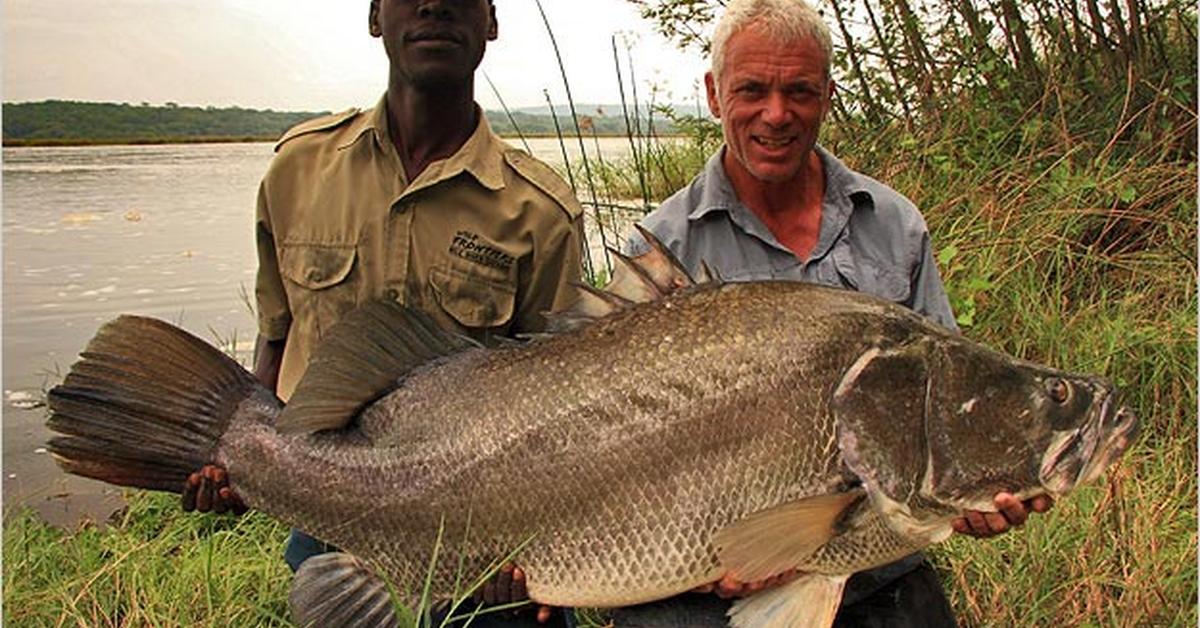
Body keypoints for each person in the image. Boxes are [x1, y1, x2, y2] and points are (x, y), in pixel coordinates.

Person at [618, 0, 1052, 625]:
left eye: (799, 91)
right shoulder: (662, 247)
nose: (776, 113)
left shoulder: (893, 225)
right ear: (714, 95)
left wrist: (976, 490)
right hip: (705, 579)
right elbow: (625, 441)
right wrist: (727, 558)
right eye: (752, 90)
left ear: (826, 95)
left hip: (873, 571)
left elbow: (947, 401)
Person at [182, 1, 583, 626]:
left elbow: (561, 406)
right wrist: (230, 457)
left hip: (482, 530)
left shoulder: (539, 210)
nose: (433, 5)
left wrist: (536, 554)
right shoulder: (297, 169)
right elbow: (276, 340)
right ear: (375, 16)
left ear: (491, 21)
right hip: (330, 520)